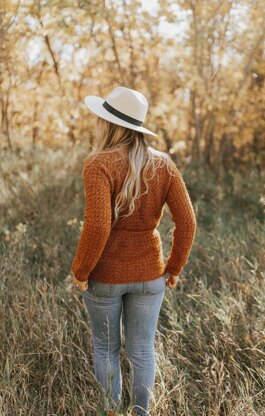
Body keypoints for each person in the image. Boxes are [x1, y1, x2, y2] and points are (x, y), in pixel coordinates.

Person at [71, 86, 197, 416]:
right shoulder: (165, 164)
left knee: (106, 348)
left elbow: (98, 226)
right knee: (142, 349)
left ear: (109, 124)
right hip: (151, 274)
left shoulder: (98, 163)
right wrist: (174, 268)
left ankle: (111, 413)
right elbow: (188, 222)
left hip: (105, 276)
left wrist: (81, 271)